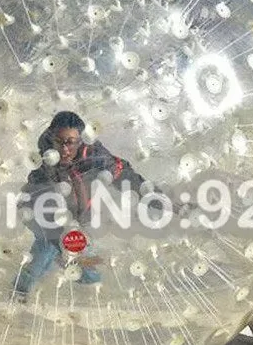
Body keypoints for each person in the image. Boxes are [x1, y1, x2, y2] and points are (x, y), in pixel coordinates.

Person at [14, 111, 156, 300]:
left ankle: (90, 296)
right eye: (59, 141)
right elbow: (33, 199)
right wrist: (57, 238)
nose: (64, 149)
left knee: (88, 270)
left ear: (80, 140)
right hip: (48, 220)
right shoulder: (45, 163)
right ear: (52, 139)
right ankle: (18, 295)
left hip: (80, 219)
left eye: (71, 142)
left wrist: (158, 199)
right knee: (43, 255)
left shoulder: (95, 157)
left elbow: (124, 173)